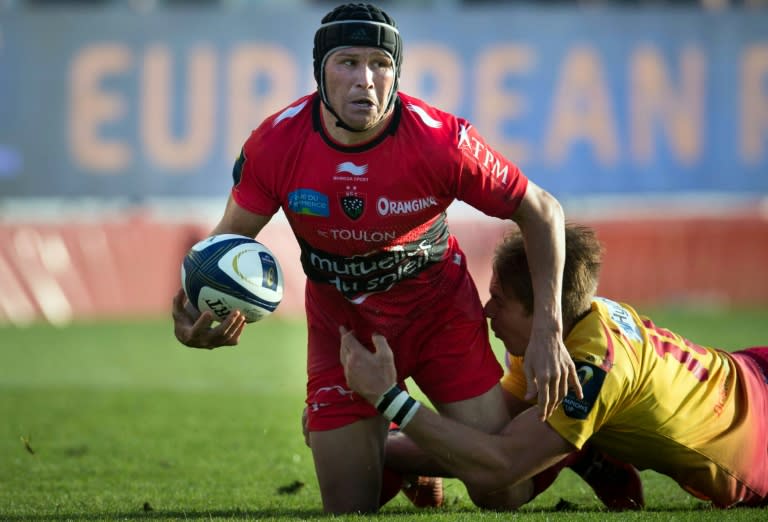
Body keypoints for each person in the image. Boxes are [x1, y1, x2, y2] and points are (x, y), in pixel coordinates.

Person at [171, 2, 582, 513]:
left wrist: (548, 328)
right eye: (347, 62)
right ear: (320, 72)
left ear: (397, 72)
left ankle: (415, 452)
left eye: (379, 64)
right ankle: (389, 452)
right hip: (343, 327)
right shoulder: (275, 143)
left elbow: (543, 211)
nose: (365, 79)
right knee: (349, 509)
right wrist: (193, 312)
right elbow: (221, 249)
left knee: (504, 493)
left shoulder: (440, 142)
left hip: (440, 316)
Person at [341, 223, 768, 510]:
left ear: (544, 312)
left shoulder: (590, 369)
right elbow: (493, 438)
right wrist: (378, 441)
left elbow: (503, 462)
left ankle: (581, 448)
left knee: (497, 482)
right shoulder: (555, 336)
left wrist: (387, 410)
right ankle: (585, 449)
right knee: (495, 491)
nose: (487, 311)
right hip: (748, 370)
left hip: (760, 445)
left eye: (500, 301)